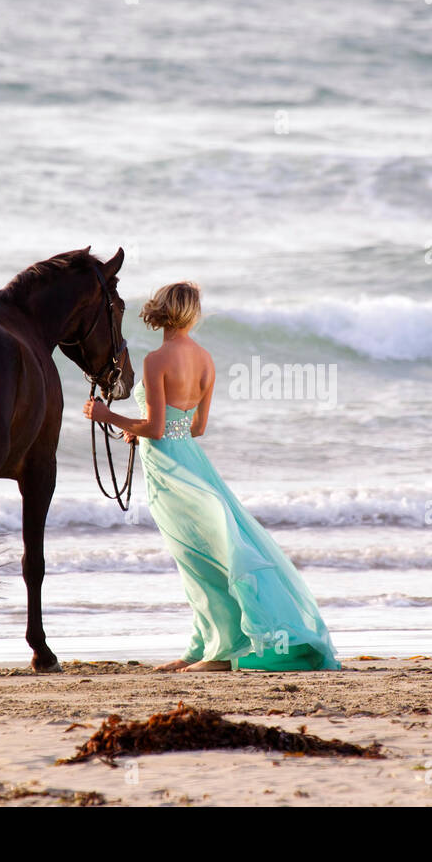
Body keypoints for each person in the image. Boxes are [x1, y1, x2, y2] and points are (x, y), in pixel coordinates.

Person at [82, 282, 341, 672]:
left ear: (161, 310)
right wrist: (146, 427)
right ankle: (200, 646)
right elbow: (195, 426)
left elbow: (155, 426)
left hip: (170, 470)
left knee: (196, 559)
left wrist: (110, 417)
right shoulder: (205, 360)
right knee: (198, 558)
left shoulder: (155, 360)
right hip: (191, 459)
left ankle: (221, 654)